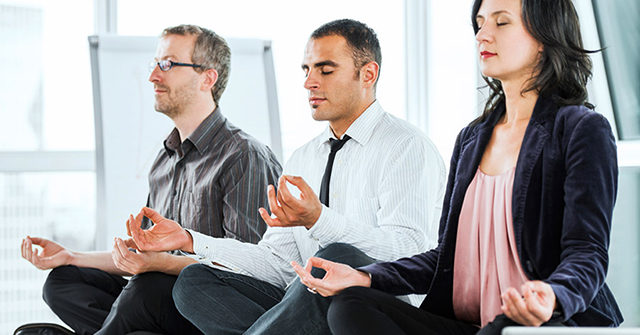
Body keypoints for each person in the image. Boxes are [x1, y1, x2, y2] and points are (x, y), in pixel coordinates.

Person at [292, 1, 623, 334]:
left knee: (500, 327)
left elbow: (587, 254)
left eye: (501, 23)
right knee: (351, 303)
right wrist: (365, 276)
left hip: (540, 324)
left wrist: (553, 296)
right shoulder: (472, 139)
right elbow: (444, 259)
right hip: (466, 326)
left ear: (544, 37)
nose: (483, 35)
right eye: (479, 23)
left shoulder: (581, 130)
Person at [127, 19, 445, 335]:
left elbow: (410, 252)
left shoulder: (406, 146)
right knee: (194, 281)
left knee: (336, 257)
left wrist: (320, 220)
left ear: (367, 74)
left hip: (374, 310)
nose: (309, 82)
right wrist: (190, 239)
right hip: (305, 304)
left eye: (325, 70)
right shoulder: (303, 157)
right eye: (306, 70)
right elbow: (277, 262)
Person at [20, 24, 282, 335]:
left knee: (149, 287)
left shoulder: (243, 156)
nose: (154, 76)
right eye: (155, 64)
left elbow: (249, 272)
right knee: (63, 280)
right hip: (157, 296)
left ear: (207, 78)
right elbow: (144, 256)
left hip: (206, 306)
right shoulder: (164, 160)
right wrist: (71, 256)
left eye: (168, 65)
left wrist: (159, 266)